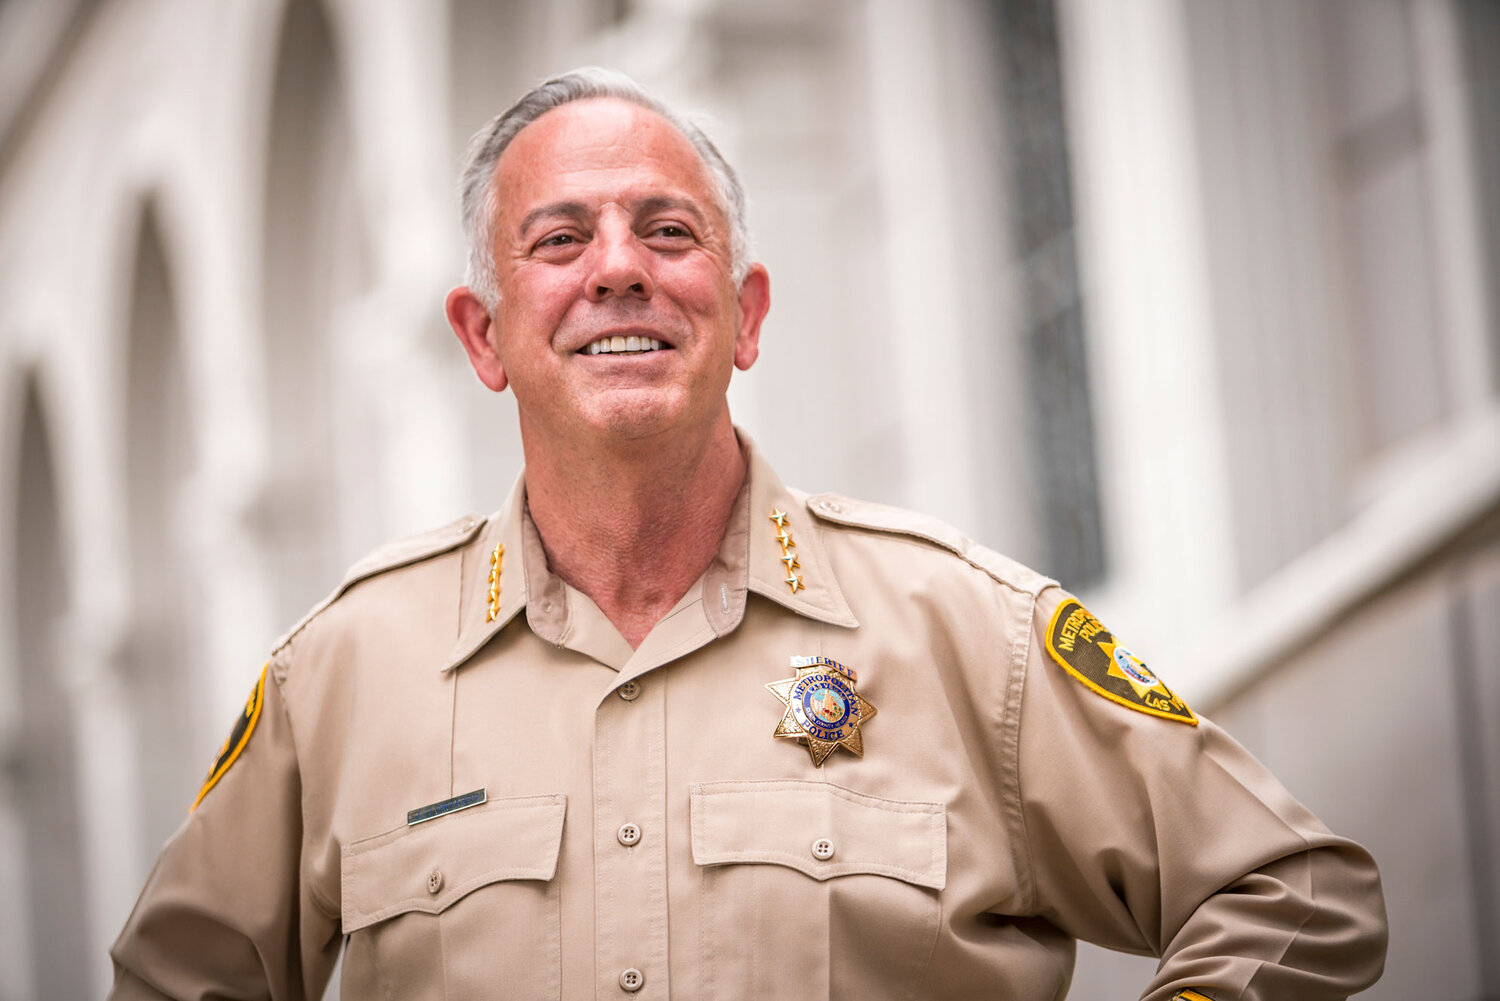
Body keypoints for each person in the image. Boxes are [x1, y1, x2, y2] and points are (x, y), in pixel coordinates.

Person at [109, 67, 1387, 1000]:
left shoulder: (962, 629)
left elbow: (1297, 892)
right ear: (482, 335)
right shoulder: (339, 677)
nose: (619, 269)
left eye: (669, 232)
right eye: (560, 240)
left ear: (746, 312)